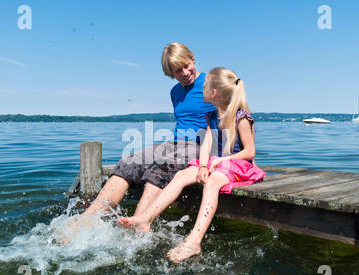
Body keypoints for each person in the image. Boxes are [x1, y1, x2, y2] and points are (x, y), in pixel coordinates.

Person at [62, 42, 216, 238]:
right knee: (129, 162)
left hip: (202, 145)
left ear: (192, 59)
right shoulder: (175, 92)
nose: (185, 73)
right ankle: (88, 220)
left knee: (160, 167)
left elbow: (237, 113)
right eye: (177, 71)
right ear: (170, 74)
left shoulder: (211, 83)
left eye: (186, 66)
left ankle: (137, 227)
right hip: (175, 143)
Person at [118, 67, 266, 263]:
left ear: (213, 93)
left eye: (204, 87)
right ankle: (147, 217)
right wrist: (203, 165)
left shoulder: (241, 117)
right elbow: (207, 144)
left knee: (212, 182)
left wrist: (223, 160)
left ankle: (194, 241)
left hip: (238, 165)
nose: (201, 88)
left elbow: (250, 152)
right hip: (217, 163)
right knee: (180, 176)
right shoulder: (211, 116)